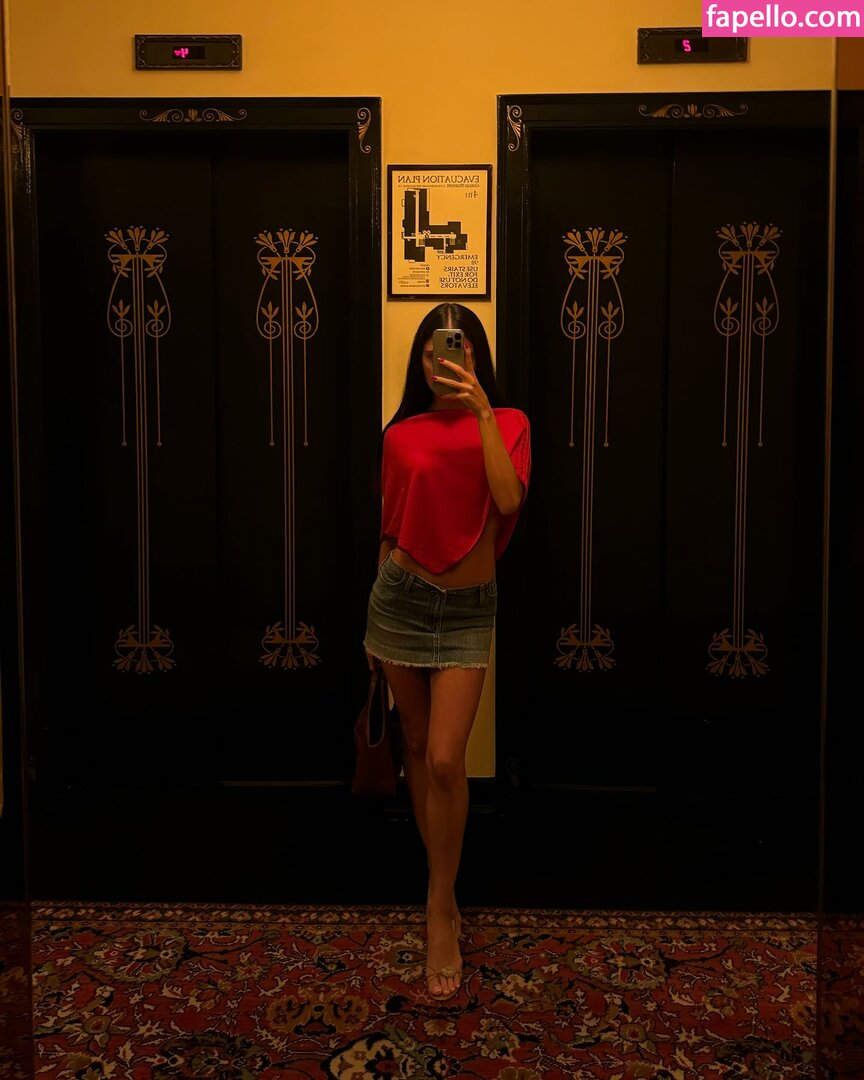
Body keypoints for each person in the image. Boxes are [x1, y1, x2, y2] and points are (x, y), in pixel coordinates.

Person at [363, 302, 531, 1002]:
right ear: (420, 360)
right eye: (433, 352)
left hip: (466, 611)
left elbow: (507, 498)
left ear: (475, 356)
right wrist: (369, 628)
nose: (443, 362)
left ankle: (438, 903)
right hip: (399, 601)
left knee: (443, 758)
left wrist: (482, 410)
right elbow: (390, 527)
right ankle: (442, 895)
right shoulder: (399, 434)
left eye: (455, 350)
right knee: (413, 746)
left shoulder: (510, 422)